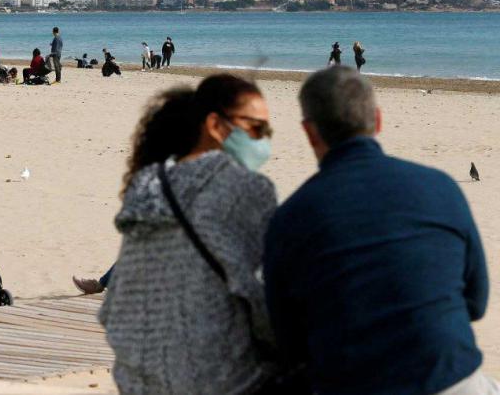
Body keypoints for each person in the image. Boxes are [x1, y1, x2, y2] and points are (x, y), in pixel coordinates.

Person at [264, 66, 494, 395]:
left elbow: (288, 337)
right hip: (454, 380)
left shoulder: (290, 218)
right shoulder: (440, 187)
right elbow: (476, 301)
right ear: (378, 121)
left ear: (310, 133)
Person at [99, 74, 282, 394]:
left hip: (137, 381)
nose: (263, 140)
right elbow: (263, 306)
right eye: (256, 128)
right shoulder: (246, 190)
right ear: (214, 125)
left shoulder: (146, 188)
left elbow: (112, 310)